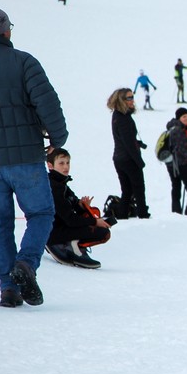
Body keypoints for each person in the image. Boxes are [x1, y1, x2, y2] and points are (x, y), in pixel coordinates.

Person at [0, 5, 68, 307]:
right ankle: (27, 264)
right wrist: (58, 139)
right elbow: (48, 103)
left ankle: (8, 288)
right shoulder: (24, 62)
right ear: (6, 31)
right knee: (41, 213)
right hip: (26, 157)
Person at [45, 148, 112, 269]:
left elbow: (74, 205)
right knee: (103, 232)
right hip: (53, 232)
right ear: (50, 165)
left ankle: (73, 243)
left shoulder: (61, 184)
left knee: (95, 219)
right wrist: (95, 222)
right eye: (61, 163)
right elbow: (70, 219)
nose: (66, 167)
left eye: (67, 162)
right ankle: (71, 247)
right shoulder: (54, 187)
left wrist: (82, 206)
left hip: (62, 227)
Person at [107, 88, 150, 219]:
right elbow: (128, 142)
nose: (132, 101)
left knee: (127, 190)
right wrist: (139, 162)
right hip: (127, 159)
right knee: (138, 189)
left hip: (119, 158)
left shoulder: (118, 115)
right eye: (129, 98)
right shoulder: (123, 118)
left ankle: (122, 216)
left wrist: (138, 144)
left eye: (132, 97)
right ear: (121, 100)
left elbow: (126, 139)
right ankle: (143, 215)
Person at [166, 107, 187, 215]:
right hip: (180, 163)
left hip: (171, 163)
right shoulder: (178, 130)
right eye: (183, 116)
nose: (186, 118)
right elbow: (181, 148)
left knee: (176, 187)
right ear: (179, 118)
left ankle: (176, 212)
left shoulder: (176, 127)